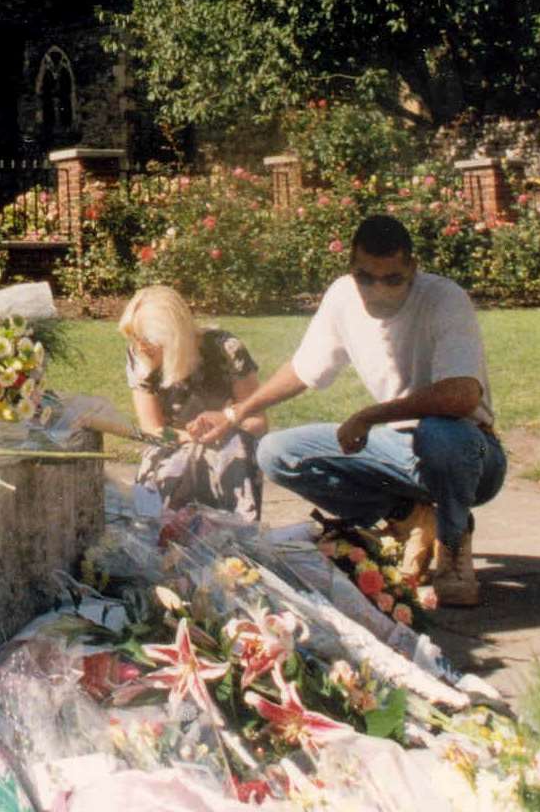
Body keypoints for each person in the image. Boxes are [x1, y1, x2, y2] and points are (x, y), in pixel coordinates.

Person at [186, 215, 505, 606]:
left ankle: (453, 545)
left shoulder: (444, 298)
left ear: (412, 269)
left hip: (470, 455)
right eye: (365, 277)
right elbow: (304, 369)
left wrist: (370, 415)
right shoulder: (342, 297)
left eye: (392, 279)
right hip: (396, 448)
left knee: (441, 434)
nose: (378, 290)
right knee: (276, 453)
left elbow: (461, 396)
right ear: (352, 267)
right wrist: (235, 413)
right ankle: (410, 517)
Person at [84, 285, 267, 520]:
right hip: (174, 442)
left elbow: (258, 421)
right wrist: (188, 438)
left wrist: (224, 425)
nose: (140, 346)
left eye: (147, 339)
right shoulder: (140, 357)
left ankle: (234, 536)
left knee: (236, 454)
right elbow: (152, 429)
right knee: (169, 471)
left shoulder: (226, 349)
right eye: (134, 338)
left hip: (229, 438)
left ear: (174, 336)